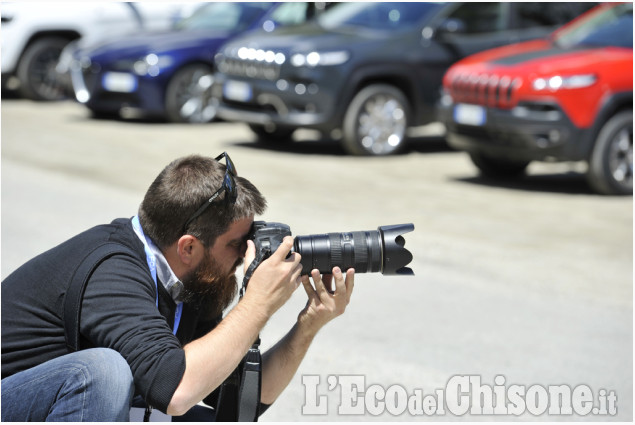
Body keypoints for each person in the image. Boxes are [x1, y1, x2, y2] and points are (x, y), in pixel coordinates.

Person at [1, 153, 355, 421]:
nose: (247, 253)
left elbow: (246, 399)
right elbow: (175, 390)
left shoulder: (192, 280)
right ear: (188, 247)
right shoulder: (112, 272)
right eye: (237, 243)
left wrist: (309, 324)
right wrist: (258, 303)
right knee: (101, 371)